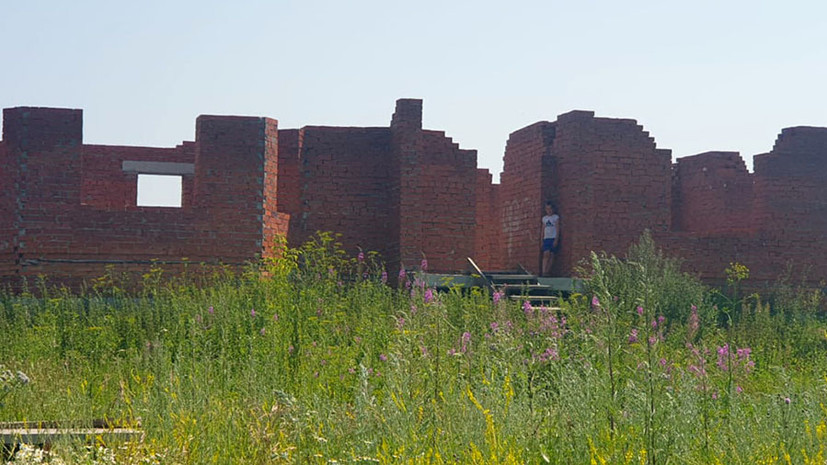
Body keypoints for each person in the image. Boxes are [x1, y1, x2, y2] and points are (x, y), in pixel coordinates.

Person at [541, 201, 560, 277]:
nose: (549, 211)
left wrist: (556, 239)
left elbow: (557, 228)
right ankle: (544, 271)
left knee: (552, 255)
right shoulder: (544, 218)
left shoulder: (555, 217)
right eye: (547, 209)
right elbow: (543, 229)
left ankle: (547, 271)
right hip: (546, 238)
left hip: (553, 237)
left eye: (550, 209)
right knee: (546, 254)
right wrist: (541, 239)